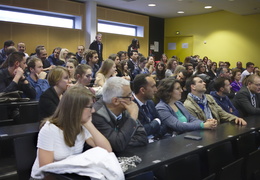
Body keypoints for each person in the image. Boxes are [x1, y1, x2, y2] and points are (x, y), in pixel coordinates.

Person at [31, 86, 112, 179]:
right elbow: (46, 171)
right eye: (90, 106)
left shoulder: (81, 125)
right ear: (77, 109)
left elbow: (107, 150)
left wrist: (89, 124)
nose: (93, 110)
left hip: (69, 176)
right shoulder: (50, 129)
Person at [92, 77, 147, 152]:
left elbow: (142, 137)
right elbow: (118, 145)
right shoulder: (96, 115)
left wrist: (122, 142)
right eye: (129, 95)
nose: (133, 98)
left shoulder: (125, 107)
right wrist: (133, 117)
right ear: (116, 101)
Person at [132, 74, 164, 141]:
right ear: (142, 90)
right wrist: (156, 122)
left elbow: (163, 124)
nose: (156, 90)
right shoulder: (132, 107)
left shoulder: (150, 102)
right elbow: (142, 131)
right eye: (153, 87)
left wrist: (155, 136)